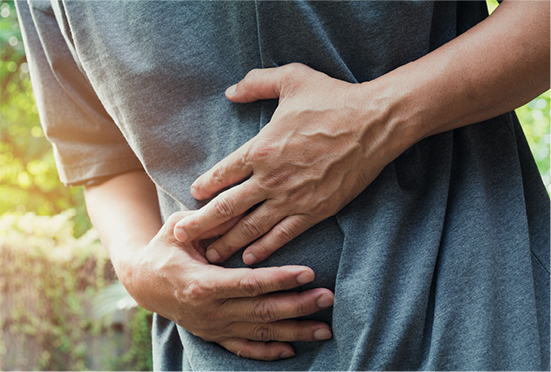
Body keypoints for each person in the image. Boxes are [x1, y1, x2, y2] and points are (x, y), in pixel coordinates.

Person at [16, 0, 549, 370]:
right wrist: (137, 269)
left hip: (467, 316)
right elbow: (100, 155)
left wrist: (381, 117)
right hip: (211, 353)